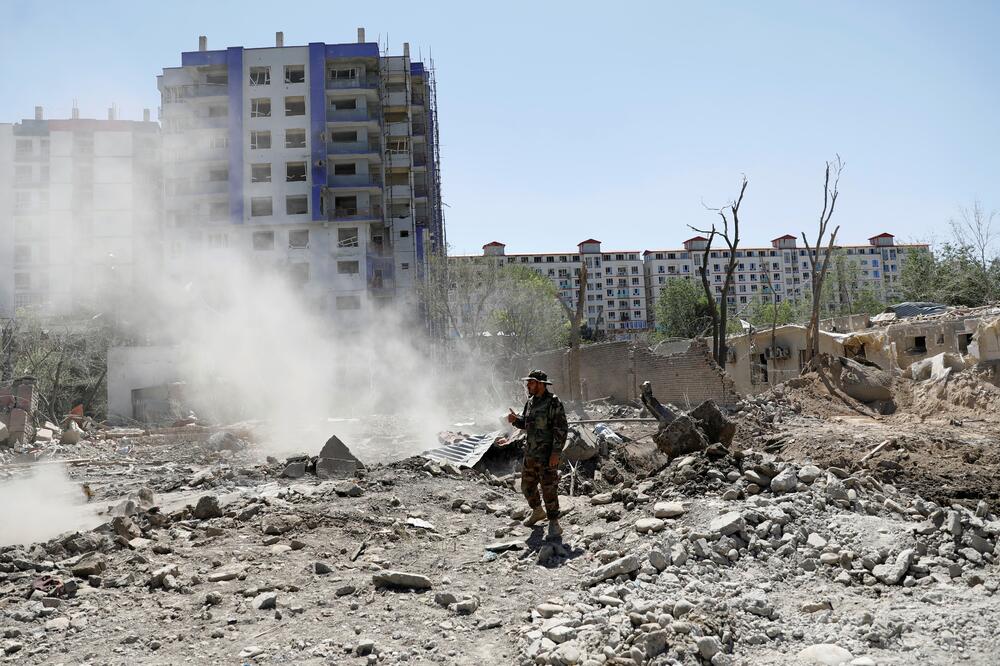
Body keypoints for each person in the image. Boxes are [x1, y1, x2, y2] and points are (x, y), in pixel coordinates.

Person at [507, 370, 568, 538]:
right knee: (526, 486)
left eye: (531, 382)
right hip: (531, 454)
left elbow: (562, 430)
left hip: (547, 455)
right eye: (528, 383)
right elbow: (528, 425)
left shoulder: (553, 402)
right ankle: (537, 511)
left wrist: (556, 453)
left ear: (541, 384)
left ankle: (554, 523)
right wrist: (515, 421)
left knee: (549, 488)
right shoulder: (531, 402)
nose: (528, 385)